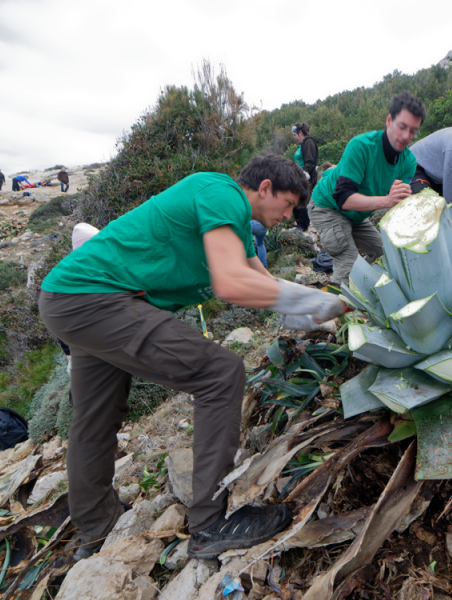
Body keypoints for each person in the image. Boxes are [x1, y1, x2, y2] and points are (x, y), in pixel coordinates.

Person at [38, 154, 347, 561]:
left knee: (96, 417)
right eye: (288, 205)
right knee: (220, 372)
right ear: (266, 187)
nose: (290, 216)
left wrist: (321, 312)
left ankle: (97, 529)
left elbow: (263, 284)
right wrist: (314, 299)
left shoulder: (234, 225)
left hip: (67, 297)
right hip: (97, 298)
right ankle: (210, 524)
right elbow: (231, 284)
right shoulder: (221, 192)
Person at [308, 92, 425, 286]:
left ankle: (363, 291)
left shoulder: (408, 161)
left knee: (384, 255)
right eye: (402, 127)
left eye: (413, 131)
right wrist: (387, 200)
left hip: (357, 215)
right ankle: (336, 307)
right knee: (349, 262)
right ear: (389, 120)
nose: (406, 136)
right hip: (327, 206)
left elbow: (396, 207)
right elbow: (343, 199)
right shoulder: (361, 147)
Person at [291, 123, 318, 231]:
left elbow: (310, 161)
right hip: (299, 176)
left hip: (306, 178)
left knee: (301, 200)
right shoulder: (302, 144)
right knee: (295, 200)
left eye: (295, 135)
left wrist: (305, 173)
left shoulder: (309, 142)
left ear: (300, 133)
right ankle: (299, 224)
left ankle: (304, 225)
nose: (295, 138)